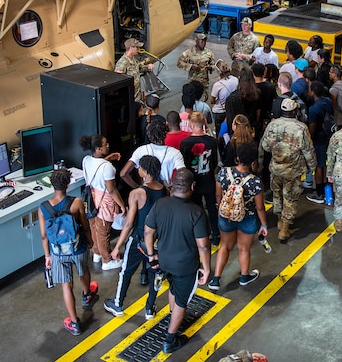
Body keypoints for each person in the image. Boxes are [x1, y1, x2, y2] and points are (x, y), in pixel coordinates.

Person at [143, 168, 211, 355]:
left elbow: (148, 232)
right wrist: (206, 268)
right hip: (185, 265)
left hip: (164, 261)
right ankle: (170, 340)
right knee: (182, 300)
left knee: (173, 288)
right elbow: (204, 246)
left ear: (172, 185)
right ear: (192, 186)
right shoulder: (196, 212)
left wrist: (151, 255)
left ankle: (174, 316)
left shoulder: (160, 205)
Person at [104, 155, 167, 320]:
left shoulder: (137, 193)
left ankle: (118, 304)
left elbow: (129, 223)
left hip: (138, 239)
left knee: (126, 271)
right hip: (157, 240)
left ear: (144, 172)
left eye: (139, 168)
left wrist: (117, 246)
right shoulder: (164, 189)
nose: (138, 170)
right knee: (155, 273)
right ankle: (150, 308)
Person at [39, 168, 97, 336]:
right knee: (83, 270)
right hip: (77, 247)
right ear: (68, 184)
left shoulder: (43, 208)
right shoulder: (76, 202)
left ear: (51, 184)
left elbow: (44, 236)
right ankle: (87, 294)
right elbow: (85, 225)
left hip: (57, 252)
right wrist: (90, 239)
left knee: (66, 286)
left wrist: (47, 256)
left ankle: (74, 323)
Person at [208, 143, 268, 290]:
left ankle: (216, 280)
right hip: (247, 219)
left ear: (237, 158)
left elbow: (218, 195)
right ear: (254, 162)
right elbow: (260, 207)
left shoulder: (223, 173)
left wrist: (220, 209)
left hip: (226, 217)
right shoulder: (256, 182)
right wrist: (264, 225)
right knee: (243, 248)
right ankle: (244, 277)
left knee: (225, 246)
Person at [260, 98, 316, 243]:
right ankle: (285, 229)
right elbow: (308, 150)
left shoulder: (273, 125)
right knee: (290, 198)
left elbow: (265, 146)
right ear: (295, 111)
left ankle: (279, 219)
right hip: (293, 170)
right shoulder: (301, 128)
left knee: (277, 195)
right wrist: (312, 166)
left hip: (276, 168)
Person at [79, 134, 125, 271]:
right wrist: (122, 205)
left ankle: (97, 253)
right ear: (99, 149)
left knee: (93, 227)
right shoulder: (107, 167)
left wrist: (107, 159)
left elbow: (96, 167)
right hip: (104, 202)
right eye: (106, 145)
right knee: (104, 231)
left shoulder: (86, 160)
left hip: (90, 200)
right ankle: (107, 260)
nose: (108, 146)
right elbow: (111, 190)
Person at [180, 111, 221, 246]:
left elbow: (184, 165)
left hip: (194, 182)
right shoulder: (212, 141)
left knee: (197, 210)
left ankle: (201, 235)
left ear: (191, 125)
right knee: (212, 208)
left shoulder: (185, 143)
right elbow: (215, 163)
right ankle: (216, 235)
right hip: (208, 180)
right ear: (204, 124)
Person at [121, 119, 186, 188]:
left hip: (146, 191)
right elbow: (183, 174)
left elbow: (123, 174)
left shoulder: (140, 150)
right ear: (166, 133)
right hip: (165, 191)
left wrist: (137, 186)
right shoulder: (175, 153)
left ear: (149, 134)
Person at [305, 81, 334, 204]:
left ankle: (319, 193)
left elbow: (312, 127)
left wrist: (308, 139)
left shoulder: (313, 109)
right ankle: (327, 187)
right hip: (328, 137)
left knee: (318, 166)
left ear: (313, 92)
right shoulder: (327, 101)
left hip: (318, 139)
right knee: (325, 164)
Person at [114, 37, 154, 104]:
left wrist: (147, 67)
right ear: (131, 48)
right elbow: (118, 81)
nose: (138, 49)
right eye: (137, 47)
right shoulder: (122, 63)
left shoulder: (133, 59)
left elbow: (139, 68)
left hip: (137, 96)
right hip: (129, 98)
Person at [210, 59, 238, 135]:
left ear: (219, 72)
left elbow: (212, 101)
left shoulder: (217, 85)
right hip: (232, 109)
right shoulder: (235, 80)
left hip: (220, 111)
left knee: (220, 133)